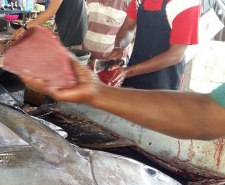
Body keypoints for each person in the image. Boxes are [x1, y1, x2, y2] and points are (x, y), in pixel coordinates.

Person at [20, 55, 225, 140]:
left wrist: (126, 73)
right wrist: (95, 92)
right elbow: (206, 115)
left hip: (163, 79)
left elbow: (207, 116)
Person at [107, 0, 200, 90]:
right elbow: (128, 27)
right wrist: (119, 47)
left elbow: (176, 55)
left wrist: (128, 71)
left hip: (165, 79)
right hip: (135, 72)